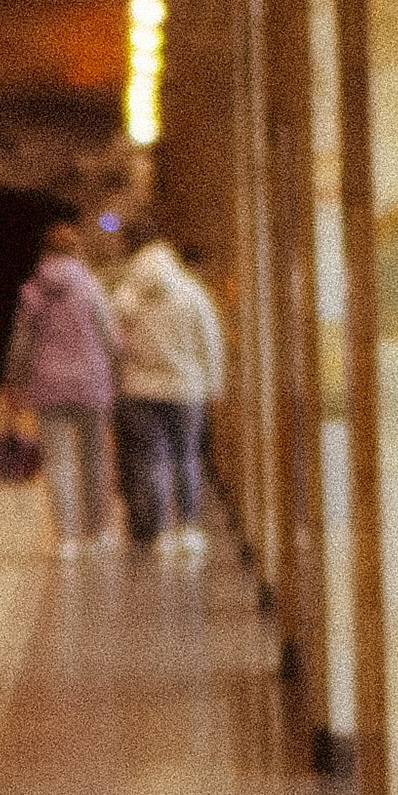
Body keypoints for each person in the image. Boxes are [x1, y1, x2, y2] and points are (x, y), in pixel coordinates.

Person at [2, 210, 118, 553]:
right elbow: (109, 337)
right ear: (77, 250)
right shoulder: (91, 287)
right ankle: (97, 534)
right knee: (95, 457)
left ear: (45, 253)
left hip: (47, 385)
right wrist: (118, 368)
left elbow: (21, 343)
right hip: (91, 383)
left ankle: (67, 538)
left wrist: (14, 382)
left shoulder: (33, 290)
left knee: (58, 461)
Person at [110, 227, 225, 553]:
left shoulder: (128, 296)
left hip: (140, 389)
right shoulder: (193, 293)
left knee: (151, 460)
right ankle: (187, 528)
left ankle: (158, 530)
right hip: (186, 390)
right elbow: (210, 341)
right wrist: (213, 384)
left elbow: (114, 342)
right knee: (187, 456)